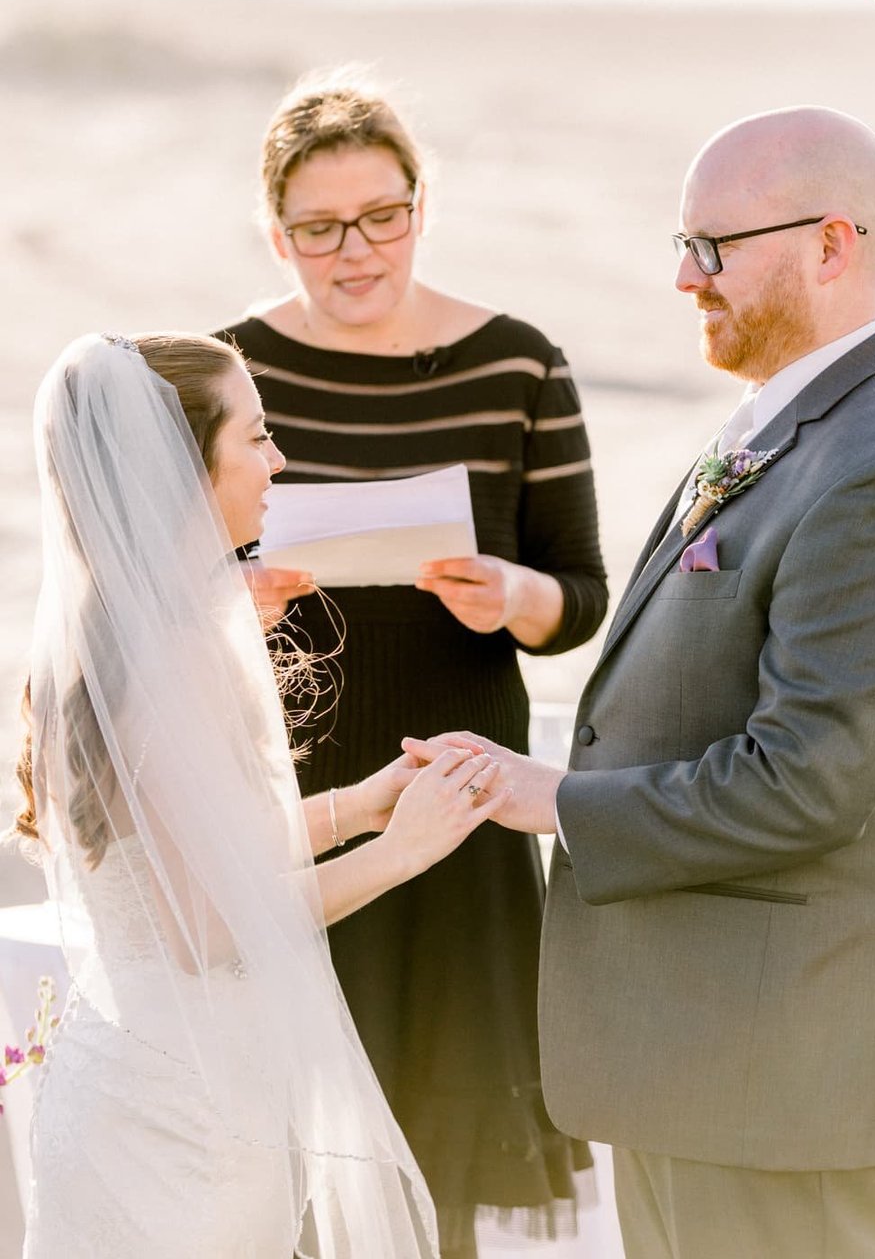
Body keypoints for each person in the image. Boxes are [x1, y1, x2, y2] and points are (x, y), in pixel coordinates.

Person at [409, 107, 875, 1259]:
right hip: (701, 1056)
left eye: (714, 247)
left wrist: (552, 801)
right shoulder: (790, 422)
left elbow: (808, 783)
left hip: (781, 1075)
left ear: (833, 245)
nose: (685, 277)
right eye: (682, 243)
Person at [218, 75, 607, 1259]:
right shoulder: (223, 372)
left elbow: (581, 597)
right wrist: (235, 595)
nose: (354, 252)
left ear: (421, 207)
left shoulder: (518, 365)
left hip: (457, 788)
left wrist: (514, 595)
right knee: (285, 1145)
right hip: (282, 795)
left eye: (381, 216)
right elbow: (154, 593)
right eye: (319, 229)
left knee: (437, 1153)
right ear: (276, 234)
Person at [13, 330, 511, 1256]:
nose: (278, 460)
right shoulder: (178, 651)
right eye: (257, 436)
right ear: (184, 464)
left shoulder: (94, 636)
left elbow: (197, 852)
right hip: (186, 1121)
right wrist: (399, 853)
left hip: (126, 1076)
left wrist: (362, 802)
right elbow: (210, 931)